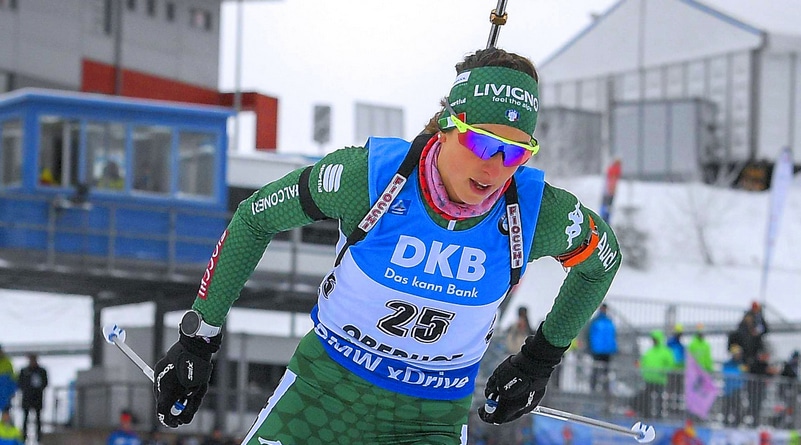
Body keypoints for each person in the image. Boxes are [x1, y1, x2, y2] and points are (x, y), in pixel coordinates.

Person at [151, 47, 621, 444]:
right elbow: (256, 217)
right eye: (482, 143)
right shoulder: (369, 180)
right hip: (322, 396)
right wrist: (198, 338)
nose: (496, 166)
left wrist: (539, 359)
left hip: (428, 419)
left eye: (516, 151)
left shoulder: (537, 214)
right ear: (448, 126)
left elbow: (603, 261)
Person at [637, 330, 675, 419]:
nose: (654, 341)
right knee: (646, 397)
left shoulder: (666, 352)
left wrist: (664, 371)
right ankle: (646, 414)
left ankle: (659, 416)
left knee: (659, 399)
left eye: (655, 339)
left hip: (660, 379)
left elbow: (670, 364)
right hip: (649, 379)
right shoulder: (650, 351)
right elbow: (643, 362)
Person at [585, 303, 618, 392]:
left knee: (606, 371)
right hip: (597, 350)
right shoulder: (596, 321)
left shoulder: (608, 321)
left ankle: (604, 389)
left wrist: (614, 347)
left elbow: (613, 336)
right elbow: (588, 335)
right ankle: (593, 388)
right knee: (596, 369)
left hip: (607, 350)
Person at [18, 354, 48, 444]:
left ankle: (38, 437)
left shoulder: (41, 371)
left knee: (38, 418)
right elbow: (20, 383)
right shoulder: (24, 371)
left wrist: (38, 389)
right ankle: (24, 437)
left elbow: (45, 383)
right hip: (27, 398)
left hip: (37, 397)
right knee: (25, 418)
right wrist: (26, 389)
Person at [721, 345, 747, 426]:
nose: (738, 355)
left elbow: (744, 375)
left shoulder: (742, 365)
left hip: (737, 389)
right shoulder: (727, 364)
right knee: (727, 408)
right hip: (728, 389)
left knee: (737, 408)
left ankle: (737, 424)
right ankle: (725, 423)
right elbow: (727, 373)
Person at [0, 346, 15, 415]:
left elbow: (13, 379)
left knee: (5, 413)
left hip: (5, 394)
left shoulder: (7, 363)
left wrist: (12, 392)